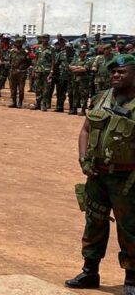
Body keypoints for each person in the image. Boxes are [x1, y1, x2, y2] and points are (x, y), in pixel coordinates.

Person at [67, 54, 135, 294]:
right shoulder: (101, 98)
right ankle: (89, 272)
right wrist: (83, 158)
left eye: (122, 72)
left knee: (129, 228)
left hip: (127, 178)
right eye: (113, 72)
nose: (116, 76)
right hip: (97, 174)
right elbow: (85, 130)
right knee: (94, 223)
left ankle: (132, 279)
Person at [32, 34, 55, 111]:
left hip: (47, 71)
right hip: (38, 70)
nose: (44, 40)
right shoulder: (38, 47)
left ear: (48, 39)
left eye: (45, 38)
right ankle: (38, 103)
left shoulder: (51, 48)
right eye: (43, 38)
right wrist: (34, 69)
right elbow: (36, 59)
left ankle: (43, 104)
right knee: (37, 87)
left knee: (46, 88)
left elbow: (53, 60)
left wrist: (51, 71)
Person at [7, 37, 31, 108]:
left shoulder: (25, 52)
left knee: (21, 89)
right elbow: (10, 61)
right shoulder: (12, 51)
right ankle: (14, 102)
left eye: (20, 43)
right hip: (13, 71)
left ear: (22, 43)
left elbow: (29, 62)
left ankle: (20, 102)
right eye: (17, 43)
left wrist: (23, 69)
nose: (18, 44)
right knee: (13, 88)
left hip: (21, 73)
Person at [69, 47, 94, 116]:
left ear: (86, 53)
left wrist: (76, 67)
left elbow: (84, 69)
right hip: (75, 79)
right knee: (75, 94)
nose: (82, 53)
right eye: (81, 52)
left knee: (83, 95)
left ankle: (83, 110)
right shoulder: (76, 59)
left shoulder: (88, 60)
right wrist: (79, 67)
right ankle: (74, 109)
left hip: (83, 80)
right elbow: (70, 67)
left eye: (83, 52)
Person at [55, 45, 75, 112]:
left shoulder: (75, 54)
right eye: (66, 47)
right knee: (60, 93)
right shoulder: (61, 53)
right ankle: (59, 107)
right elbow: (56, 64)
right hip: (61, 76)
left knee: (71, 93)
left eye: (69, 48)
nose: (67, 49)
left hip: (71, 76)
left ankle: (72, 108)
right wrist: (55, 74)